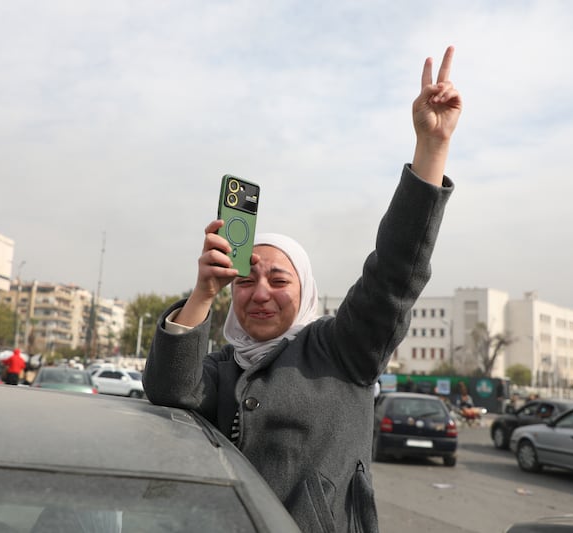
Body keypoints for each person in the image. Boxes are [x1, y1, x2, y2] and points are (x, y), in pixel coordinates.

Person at [143, 46, 461, 533]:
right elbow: (169, 390)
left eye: (279, 279)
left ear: (306, 289)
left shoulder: (343, 350)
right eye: (245, 281)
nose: (261, 293)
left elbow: (395, 272)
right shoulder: (223, 367)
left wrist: (431, 149)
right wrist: (203, 292)